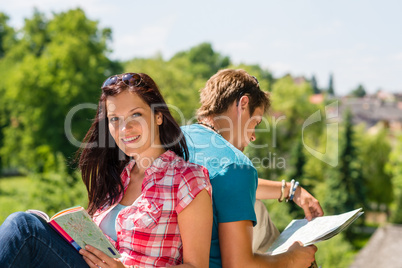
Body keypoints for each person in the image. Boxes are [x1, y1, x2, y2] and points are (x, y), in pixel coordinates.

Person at [0, 72, 213, 268]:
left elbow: (196, 266)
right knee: (29, 225)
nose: (124, 128)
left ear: (158, 116)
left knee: (24, 228)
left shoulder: (187, 178)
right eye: (115, 119)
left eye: (135, 115)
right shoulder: (117, 176)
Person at [181, 69, 324, 268]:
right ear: (243, 104)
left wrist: (291, 191)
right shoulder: (236, 164)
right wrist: (293, 259)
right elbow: (239, 264)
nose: (253, 135)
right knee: (261, 213)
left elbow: (225, 185)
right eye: (255, 122)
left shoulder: (176, 140)